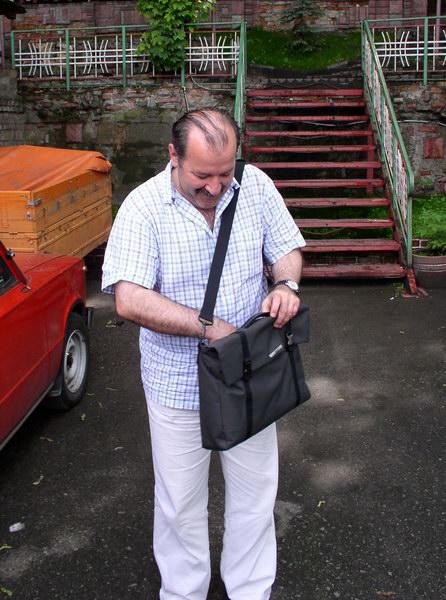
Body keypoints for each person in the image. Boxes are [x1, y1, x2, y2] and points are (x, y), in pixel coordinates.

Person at [102, 107, 306, 599]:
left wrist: (286, 284)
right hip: (176, 380)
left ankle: (250, 589)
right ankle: (184, 591)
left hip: (248, 372)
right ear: (173, 155)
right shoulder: (143, 206)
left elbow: (286, 246)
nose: (215, 187)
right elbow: (129, 298)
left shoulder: (255, 186)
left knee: (255, 494)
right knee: (179, 503)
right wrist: (207, 325)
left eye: (224, 173)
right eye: (202, 176)